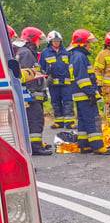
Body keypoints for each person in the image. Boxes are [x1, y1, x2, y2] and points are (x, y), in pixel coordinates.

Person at [68, 29, 110, 155]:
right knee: (92, 119)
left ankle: (84, 145)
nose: (90, 45)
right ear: (82, 43)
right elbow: (83, 79)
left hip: (79, 95)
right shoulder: (80, 57)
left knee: (83, 120)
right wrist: (91, 93)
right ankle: (97, 146)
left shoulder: (76, 55)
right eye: (88, 43)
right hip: (85, 94)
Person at [16, 27, 51, 155]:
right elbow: (27, 75)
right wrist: (32, 95)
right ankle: (35, 147)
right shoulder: (26, 53)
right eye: (38, 40)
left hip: (33, 94)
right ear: (32, 39)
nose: (38, 43)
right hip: (31, 96)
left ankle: (36, 145)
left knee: (35, 120)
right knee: (35, 120)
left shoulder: (27, 52)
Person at [41, 30, 74, 129]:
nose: (56, 42)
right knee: (55, 102)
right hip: (53, 83)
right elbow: (41, 68)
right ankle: (59, 122)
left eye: (58, 40)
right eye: (54, 41)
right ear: (50, 42)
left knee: (68, 102)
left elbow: (72, 66)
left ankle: (69, 122)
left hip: (66, 83)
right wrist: (46, 78)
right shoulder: (45, 53)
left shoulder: (66, 52)